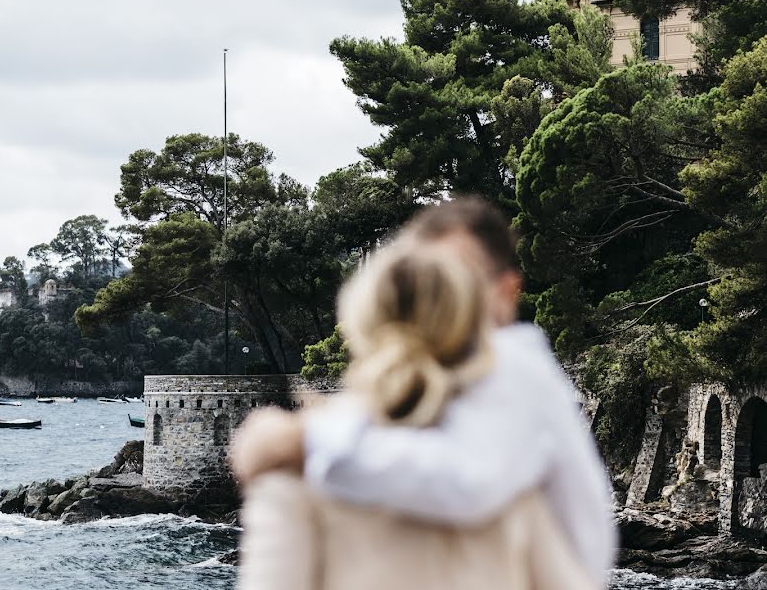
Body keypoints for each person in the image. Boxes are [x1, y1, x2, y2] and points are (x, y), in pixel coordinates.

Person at [232, 197, 617, 588]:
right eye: (418, 279)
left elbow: (469, 479)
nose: (435, 291)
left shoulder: (515, 370)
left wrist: (306, 439)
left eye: (452, 277)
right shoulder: (517, 494)